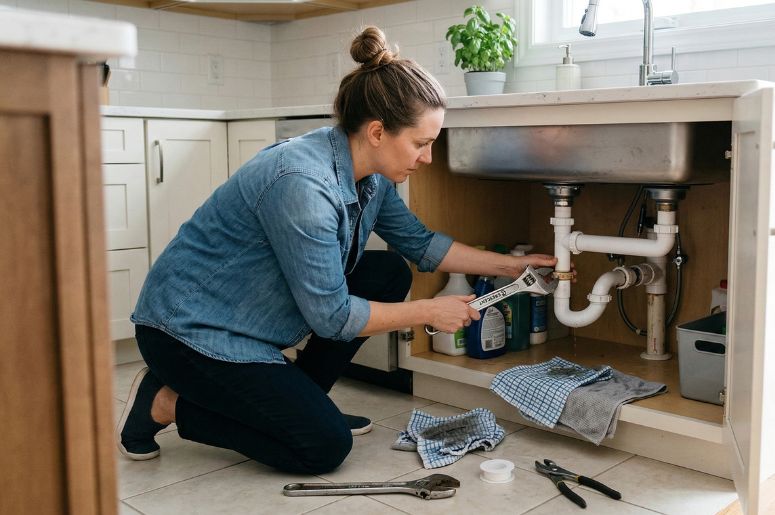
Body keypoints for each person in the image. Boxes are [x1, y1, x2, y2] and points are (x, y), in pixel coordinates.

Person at [117, 26, 557, 474]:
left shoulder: (372, 173)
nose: (427, 158)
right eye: (421, 144)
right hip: (190, 332)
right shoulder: (303, 185)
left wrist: (515, 265)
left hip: (244, 318)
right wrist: (430, 311)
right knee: (322, 447)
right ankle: (164, 402)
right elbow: (332, 318)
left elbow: (420, 245)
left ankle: (301, 402)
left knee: (387, 272)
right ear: (378, 132)